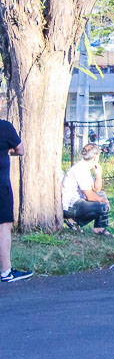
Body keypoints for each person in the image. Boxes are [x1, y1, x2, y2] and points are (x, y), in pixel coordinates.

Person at [0, 117, 32, 283]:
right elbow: (20, 150)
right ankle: (6, 271)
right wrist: (7, 150)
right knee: (3, 227)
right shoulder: (4, 127)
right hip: (1, 186)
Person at [61, 144, 112, 235]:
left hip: (77, 202)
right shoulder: (81, 169)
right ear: (96, 157)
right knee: (102, 206)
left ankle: (77, 222)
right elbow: (90, 196)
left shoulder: (85, 167)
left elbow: (96, 190)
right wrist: (104, 201)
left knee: (102, 195)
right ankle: (96, 228)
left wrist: (98, 175)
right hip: (70, 206)